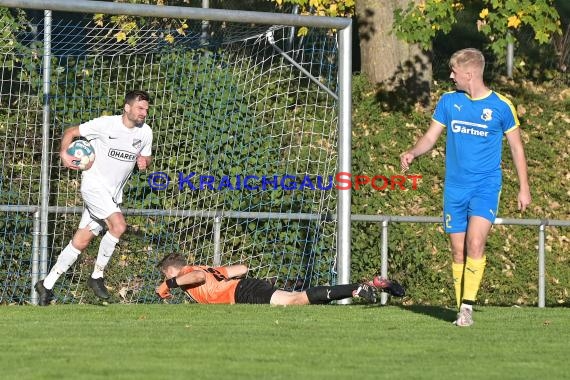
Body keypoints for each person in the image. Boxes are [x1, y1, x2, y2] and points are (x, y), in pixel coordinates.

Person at [400, 48, 531, 326]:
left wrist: (524, 188)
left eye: (454, 72)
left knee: (475, 242)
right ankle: (461, 307)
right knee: (458, 251)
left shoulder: (501, 106)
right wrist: (413, 152)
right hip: (454, 188)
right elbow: (430, 137)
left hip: (486, 186)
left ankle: (467, 308)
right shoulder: (449, 102)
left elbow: (517, 149)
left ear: (469, 74)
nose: (450, 76)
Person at [35, 90, 153, 306]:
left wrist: (144, 162)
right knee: (118, 226)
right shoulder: (105, 124)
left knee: (81, 240)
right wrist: (63, 154)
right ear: (127, 107)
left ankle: (47, 284)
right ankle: (97, 276)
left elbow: (146, 157)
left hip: (113, 195)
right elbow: (71, 132)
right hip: (93, 186)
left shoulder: (145, 133)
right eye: (140, 108)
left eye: (146, 109)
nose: (144, 112)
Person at [155, 254, 405, 305]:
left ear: (172, 271)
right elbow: (242, 267)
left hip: (242, 293)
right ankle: (364, 287)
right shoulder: (207, 268)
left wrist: (168, 285)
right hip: (246, 286)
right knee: (299, 298)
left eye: (167, 276)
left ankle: (357, 288)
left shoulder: (190, 272)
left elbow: (196, 277)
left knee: (295, 300)